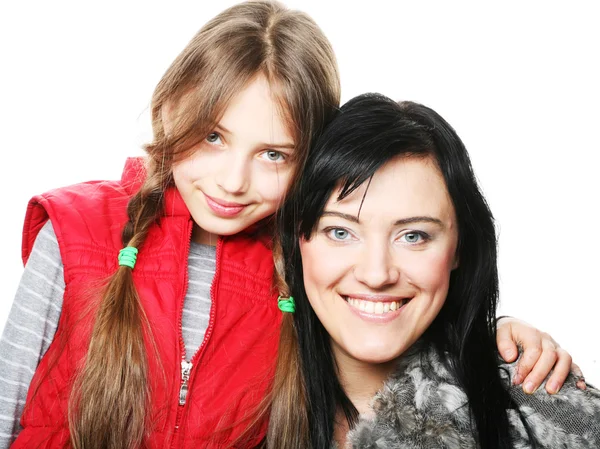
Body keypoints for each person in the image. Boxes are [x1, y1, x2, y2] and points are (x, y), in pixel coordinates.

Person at [0, 2, 583, 449]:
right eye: (213, 137)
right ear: (170, 107)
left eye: (274, 155)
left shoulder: (295, 265)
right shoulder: (78, 231)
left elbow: (388, 325)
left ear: (309, 164)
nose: (232, 181)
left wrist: (502, 332)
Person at [266, 94, 600, 448]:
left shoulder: (551, 411)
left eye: (413, 236)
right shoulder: (240, 397)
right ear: (297, 241)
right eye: (340, 232)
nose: (377, 274)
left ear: (459, 248)